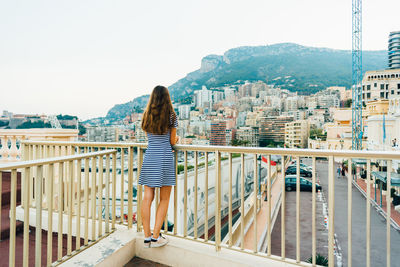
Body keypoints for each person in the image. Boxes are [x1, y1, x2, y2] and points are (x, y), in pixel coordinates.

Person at [139, 85, 179, 248]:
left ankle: (147, 236)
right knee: (164, 198)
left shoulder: (146, 115)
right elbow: (171, 141)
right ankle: (156, 236)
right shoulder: (171, 116)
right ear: (167, 98)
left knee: (147, 198)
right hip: (164, 158)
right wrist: (176, 140)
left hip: (150, 157)